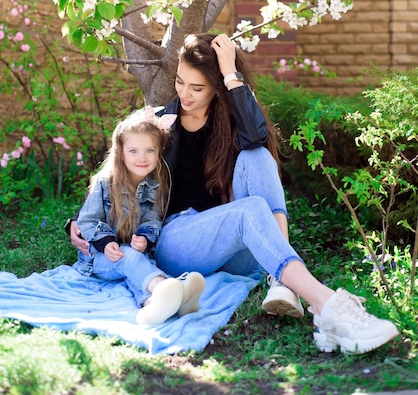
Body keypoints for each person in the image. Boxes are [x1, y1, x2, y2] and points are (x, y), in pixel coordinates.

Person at [70, 33, 399, 354]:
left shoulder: (229, 121)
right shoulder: (159, 123)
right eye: (181, 82)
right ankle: (327, 305)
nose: (185, 93)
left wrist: (231, 73)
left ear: (215, 87)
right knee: (249, 209)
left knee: (256, 155)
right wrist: (79, 221)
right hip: (176, 240)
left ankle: (282, 280)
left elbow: (256, 136)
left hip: (234, 246)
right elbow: (114, 173)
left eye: (197, 87)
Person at [73, 106, 205, 325]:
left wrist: (144, 237)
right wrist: (105, 243)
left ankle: (153, 305)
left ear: (159, 151)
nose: (142, 158)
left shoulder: (155, 185)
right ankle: (173, 289)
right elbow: (87, 220)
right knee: (130, 260)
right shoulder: (104, 183)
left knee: (139, 265)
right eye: (133, 151)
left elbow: (153, 218)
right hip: (98, 258)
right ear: (121, 152)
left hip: (132, 253)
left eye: (149, 150)